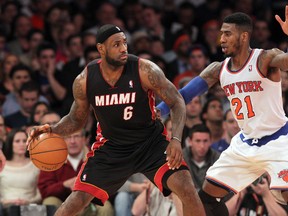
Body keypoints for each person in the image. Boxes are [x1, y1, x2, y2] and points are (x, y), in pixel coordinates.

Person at [27, 24, 205, 216]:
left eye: (125, 43)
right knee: (75, 202)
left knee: (187, 188)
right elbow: (75, 120)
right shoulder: (84, 80)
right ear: (101, 48)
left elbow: (177, 101)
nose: (123, 49)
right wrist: (53, 130)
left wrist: (176, 140)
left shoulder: (145, 70)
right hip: (112, 149)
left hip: (150, 143)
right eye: (116, 44)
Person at [157, 7, 288, 215]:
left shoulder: (265, 59)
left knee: (285, 195)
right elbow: (184, 94)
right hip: (245, 144)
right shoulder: (218, 69)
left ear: (244, 36)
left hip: (278, 140)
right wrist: (159, 110)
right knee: (206, 199)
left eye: (228, 33)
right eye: (221, 33)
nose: (222, 39)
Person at [38, 129, 114, 216]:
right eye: (68, 137)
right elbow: (44, 191)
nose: (72, 141)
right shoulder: (52, 158)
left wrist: (88, 191)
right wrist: (64, 185)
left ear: (85, 139)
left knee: (106, 207)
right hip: (62, 204)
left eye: (76, 136)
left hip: (91, 203)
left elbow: (111, 187)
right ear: (62, 140)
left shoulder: (97, 156)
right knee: (49, 202)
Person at [0, 128, 41, 214]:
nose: (22, 144)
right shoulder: (2, 165)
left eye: (24, 141)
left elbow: (40, 191)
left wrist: (28, 202)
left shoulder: (36, 164)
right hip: (5, 208)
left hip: (31, 207)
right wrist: (5, 202)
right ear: (10, 143)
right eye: (17, 141)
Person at [183, 124, 220, 192]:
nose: (202, 146)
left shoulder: (218, 159)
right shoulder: (181, 157)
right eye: (198, 141)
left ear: (210, 141)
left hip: (212, 199)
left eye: (205, 141)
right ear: (190, 142)